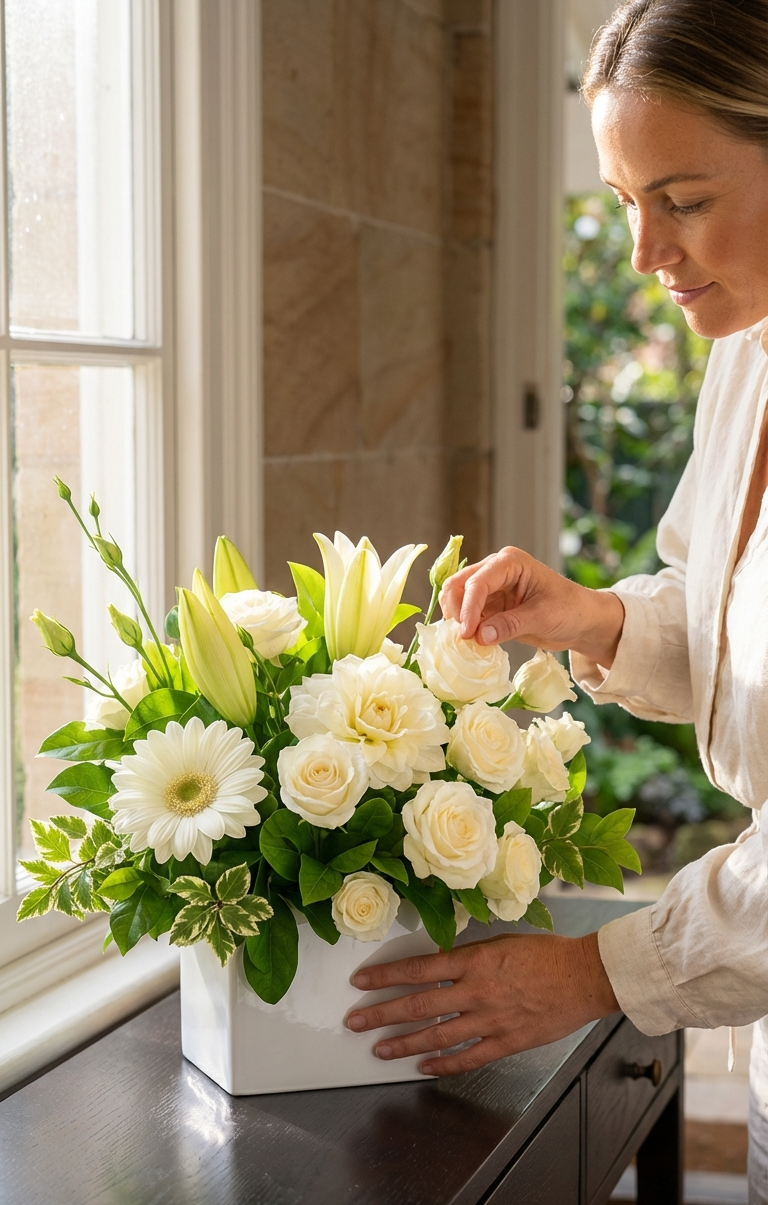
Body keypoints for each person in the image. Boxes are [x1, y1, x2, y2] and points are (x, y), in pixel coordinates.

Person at [345, 0, 768, 1194]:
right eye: (627, 203)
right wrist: (595, 616)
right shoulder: (747, 355)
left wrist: (591, 973)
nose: (646, 253)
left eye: (682, 201)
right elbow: (727, 611)